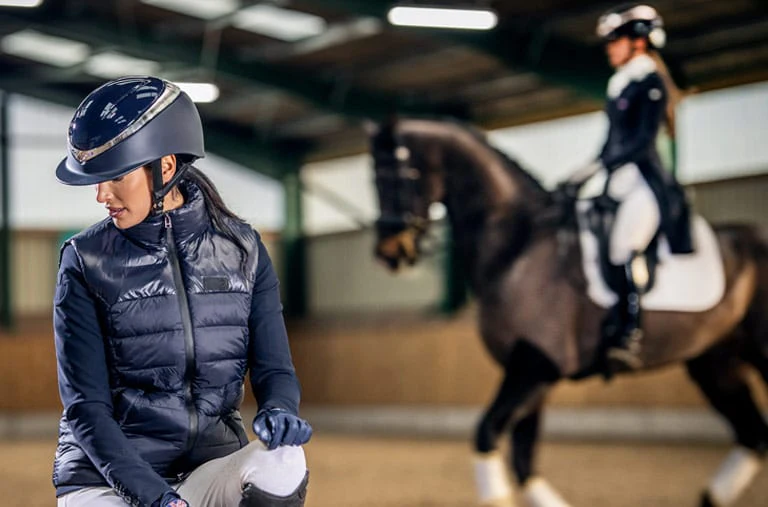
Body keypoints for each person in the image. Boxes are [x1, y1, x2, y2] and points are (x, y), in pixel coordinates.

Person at [52, 76, 312, 507]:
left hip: (207, 467)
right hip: (104, 480)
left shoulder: (242, 249)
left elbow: (275, 370)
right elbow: (86, 409)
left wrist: (279, 409)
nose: (101, 195)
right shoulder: (83, 260)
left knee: (285, 460)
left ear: (166, 167)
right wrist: (159, 500)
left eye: (115, 177)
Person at [557, 4, 693, 370]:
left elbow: (640, 142)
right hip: (619, 178)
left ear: (638, 43)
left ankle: (629, 330)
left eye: (615, 41)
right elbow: (610, 142)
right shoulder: (620, 83)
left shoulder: (651, 82)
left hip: (645, 183)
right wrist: (582, 172)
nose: (608, 49)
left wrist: (602, 166)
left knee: (623, 245)